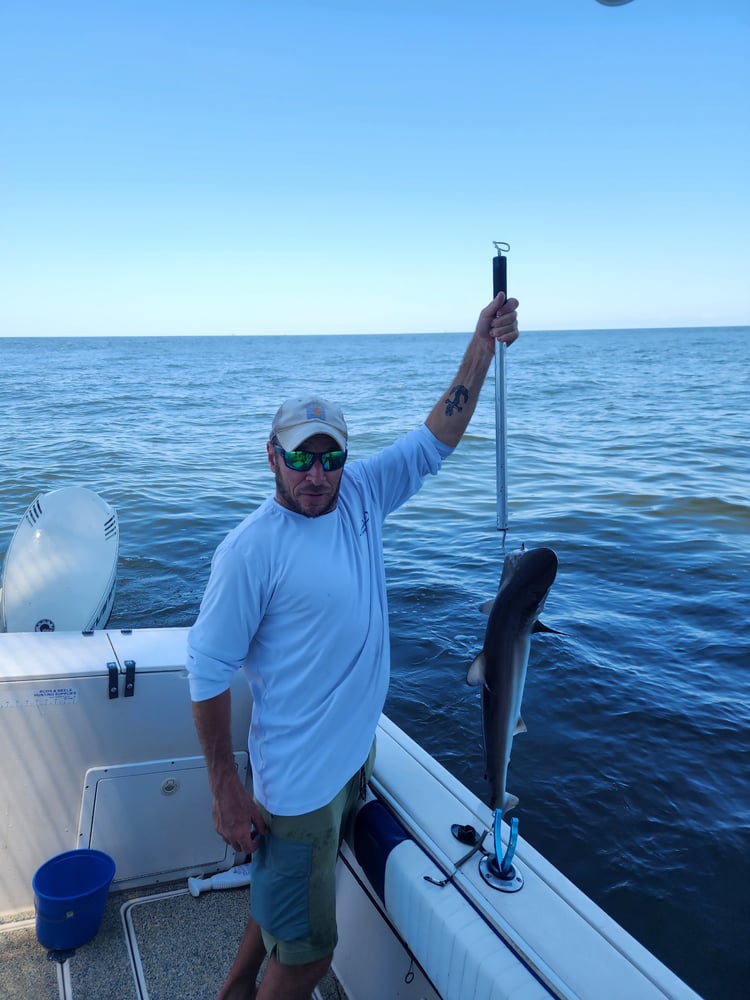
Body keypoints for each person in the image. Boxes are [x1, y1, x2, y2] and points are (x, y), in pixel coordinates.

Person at [187, 290, 519, 1000]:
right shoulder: (250, 551)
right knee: (307, 956)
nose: (317, 474)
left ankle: (234, 988)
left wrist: (480, 349)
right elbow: (205, 668)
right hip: (301, 783)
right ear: (271, 456)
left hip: (349, 757)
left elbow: (438, 437)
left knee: (283, 896)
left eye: (330, 456)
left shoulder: (361, 493)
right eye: (301, 457)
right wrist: (224, 788)